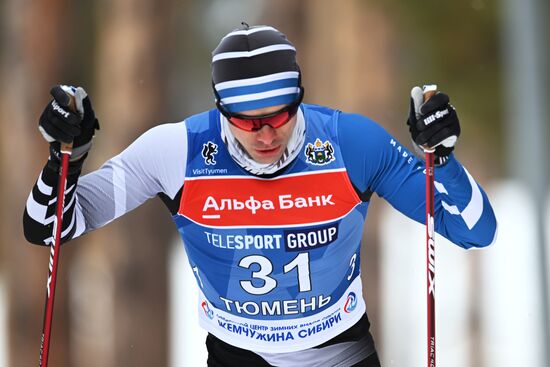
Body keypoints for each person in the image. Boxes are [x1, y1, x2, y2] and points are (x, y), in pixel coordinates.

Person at [23, 23, 497, 367]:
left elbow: (475, 230)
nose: (266, 134)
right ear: (221, 109)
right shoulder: (177, 150)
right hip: (238, 356)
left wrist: (444, 160)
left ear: (299, 100)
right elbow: (48, 228)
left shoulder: (351, 143)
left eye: (280, 116)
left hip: (340, 352)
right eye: (248, 121)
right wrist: (67, 159)